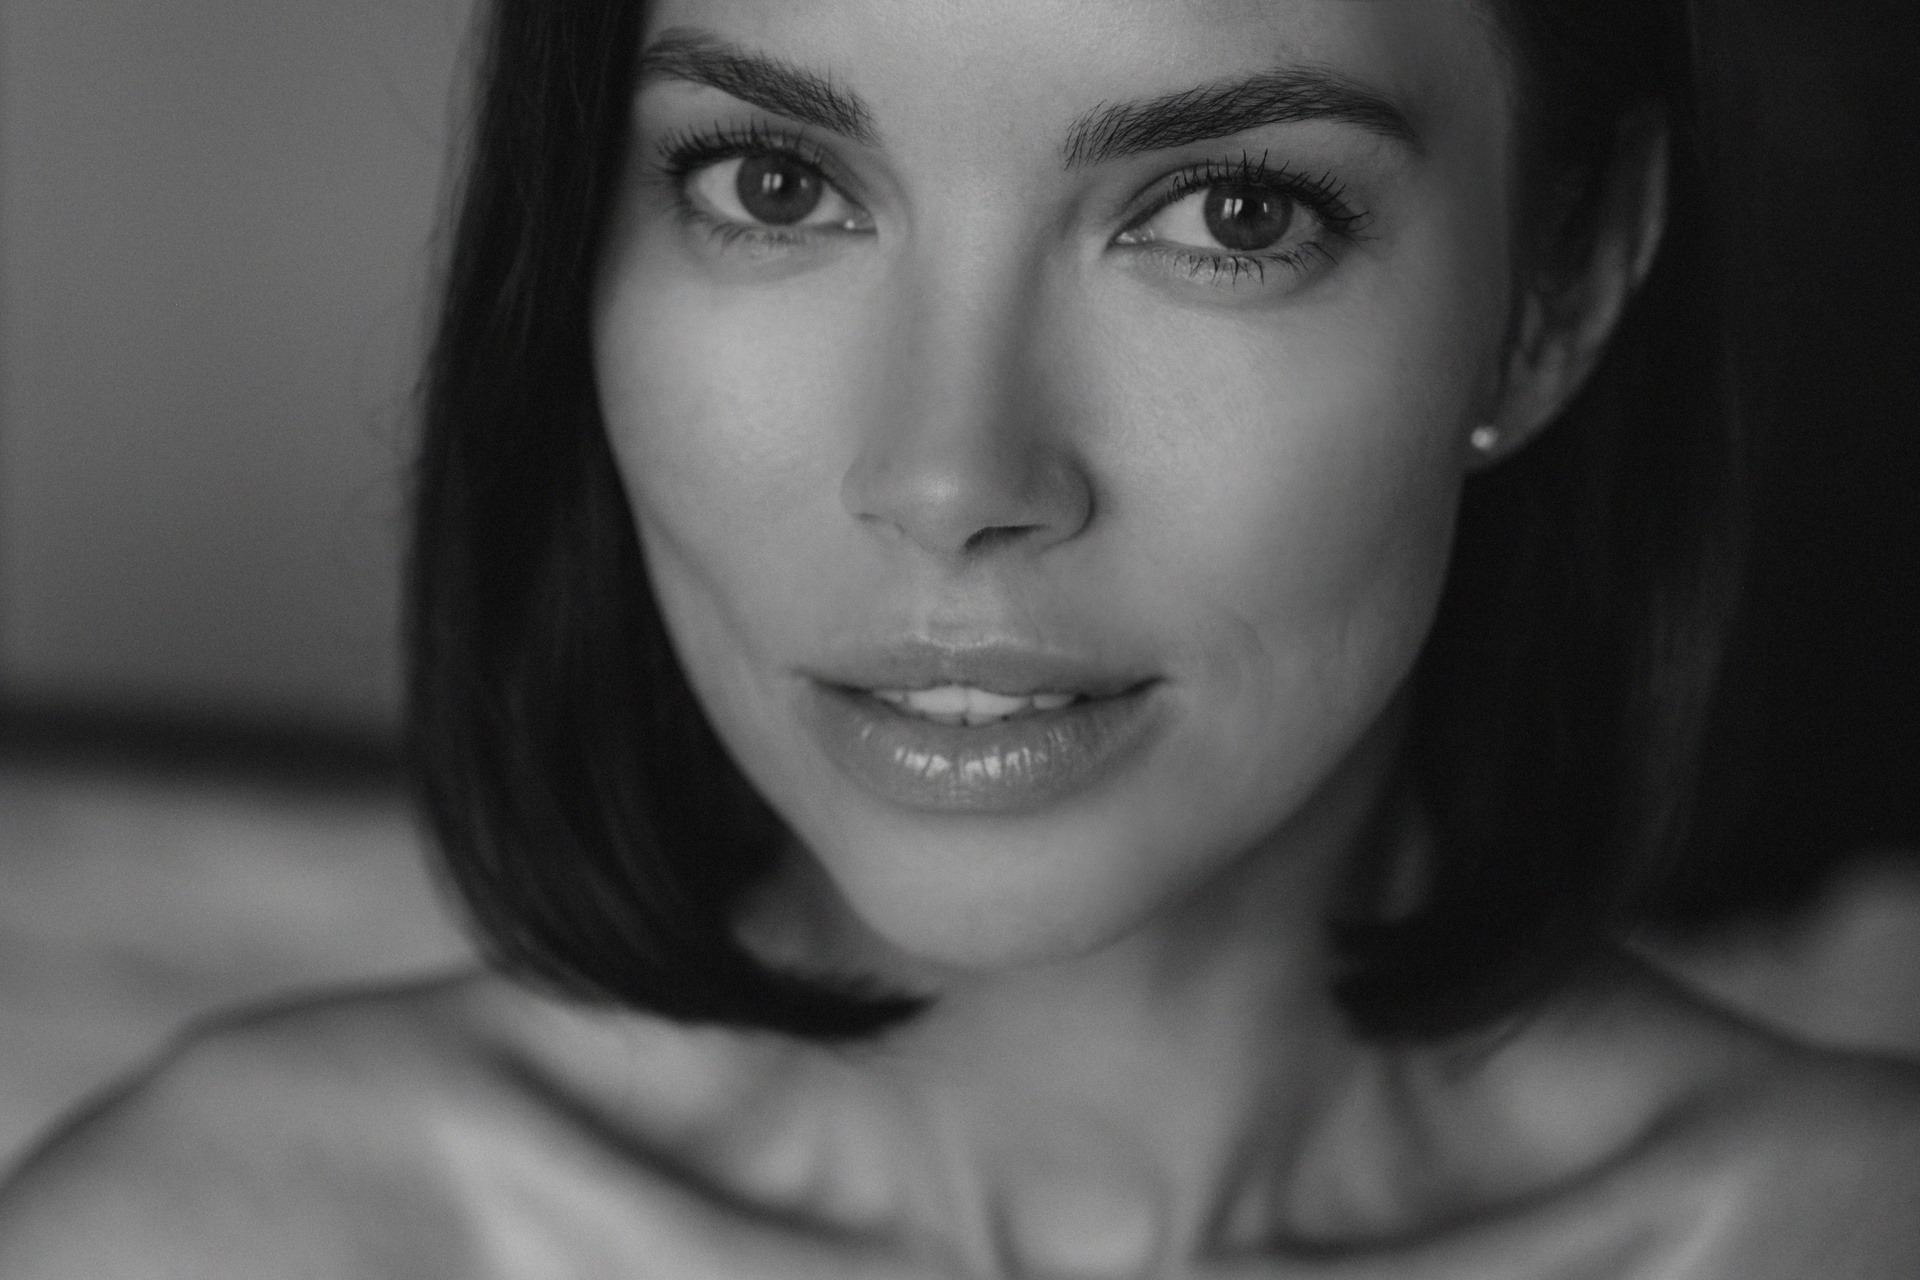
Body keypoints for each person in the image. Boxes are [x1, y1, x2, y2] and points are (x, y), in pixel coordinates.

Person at [2, 0, 1916, 1274]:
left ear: (1558, 287)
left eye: (1231, 212)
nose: (950, 478)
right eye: (774, 184)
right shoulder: (206, 1241)